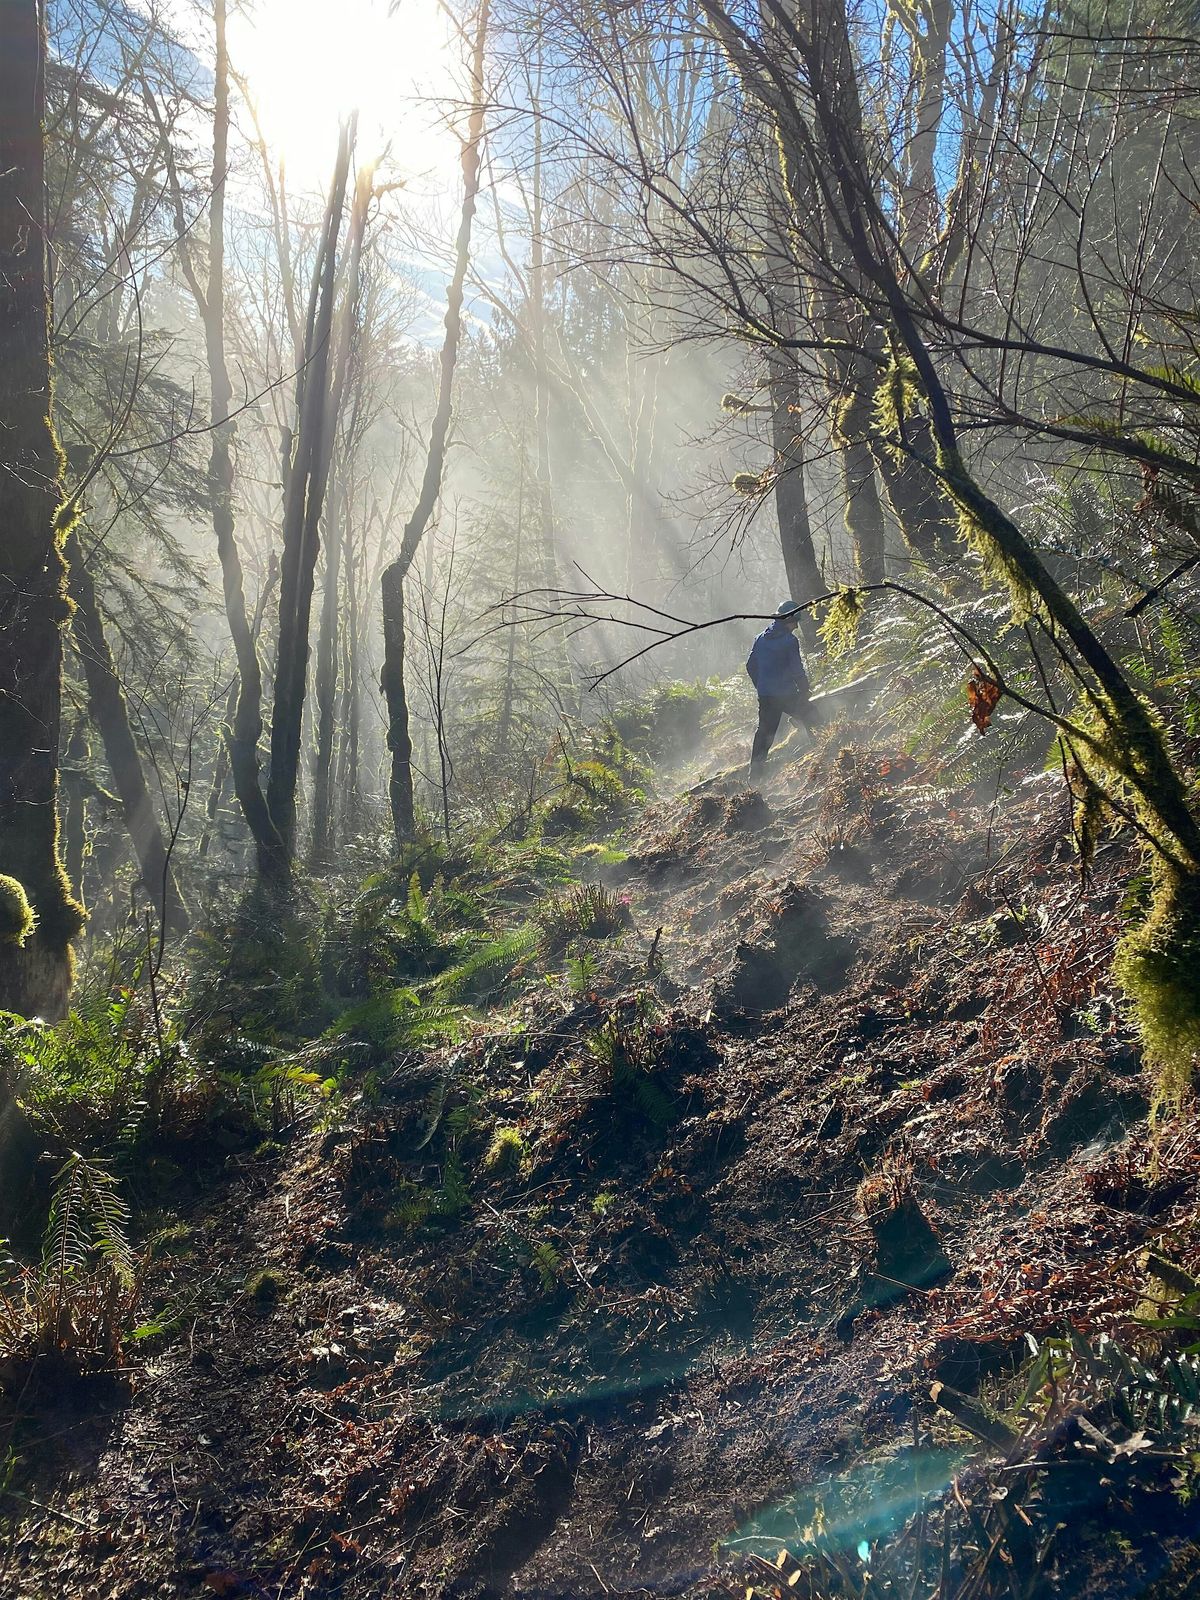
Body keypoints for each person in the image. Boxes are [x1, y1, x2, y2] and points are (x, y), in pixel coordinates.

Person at [746, 600, 815, 774]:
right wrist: (805, 689)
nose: (796, 627)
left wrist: (760, 685)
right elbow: (797, 669)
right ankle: (827, 753)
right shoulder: (789, 641)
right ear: (788, 620)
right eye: (795, 622)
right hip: (787, 695)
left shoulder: (760, 638)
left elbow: (750, 665)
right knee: (814, 718)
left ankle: (755, 776)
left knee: (763, 735)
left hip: (766, 696)